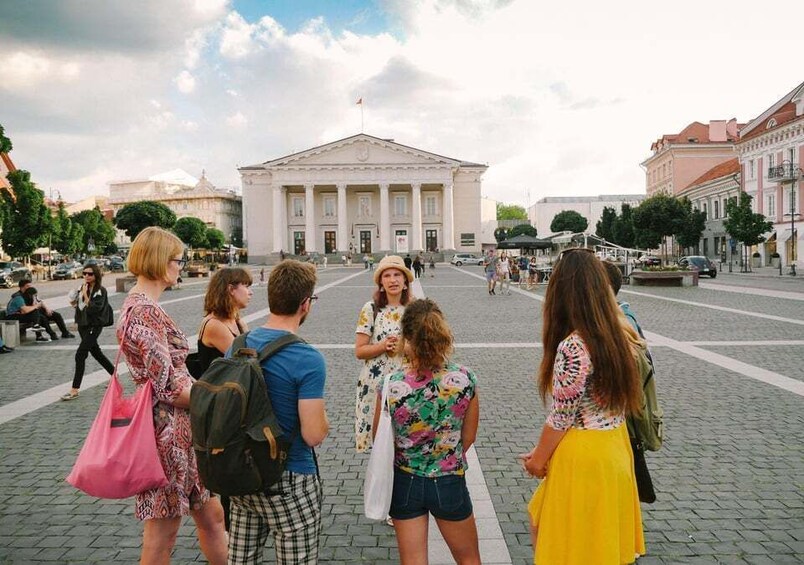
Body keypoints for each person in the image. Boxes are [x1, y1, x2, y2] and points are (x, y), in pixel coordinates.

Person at [519, 248, 646, 565]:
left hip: (584, 454)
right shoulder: (621, 333)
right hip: (614, 446)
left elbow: (562, 416)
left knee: (562, 540)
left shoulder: (575, 345)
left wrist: (538, 459)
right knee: (597, 542)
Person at [117, 227, 227, 565]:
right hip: (166, 436)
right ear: (161, 262)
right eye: (179, 260)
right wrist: (218, 401)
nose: (182, 266)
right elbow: (169, 385)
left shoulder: (143, 306)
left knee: (213, 517)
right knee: (162, 534)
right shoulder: (144, 311)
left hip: (180, 431)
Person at [228, 260, 329, 565]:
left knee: (241, 560)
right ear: (305, 304)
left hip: (243, 474)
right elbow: (312, 434)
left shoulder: (238, 344)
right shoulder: (307, 358)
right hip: (290, 478)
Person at [376, 298, 481, 564]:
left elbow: (381, 437)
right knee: (468, 559)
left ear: (406, 337)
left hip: (406, 480)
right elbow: (468, 437)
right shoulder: (465, 379)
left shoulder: (391, 384)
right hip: (449, 479)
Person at [195, 267, 253, 530]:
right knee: (227, 467)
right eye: (246, 285)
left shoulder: (236, 320)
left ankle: (236, 528)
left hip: (232, 404)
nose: (250, 291)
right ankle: (229, 535)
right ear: (231, 289)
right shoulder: (215, 325)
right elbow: (247, 356)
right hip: (218, 409)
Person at [354, 255, 413, 453]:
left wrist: (401, 347)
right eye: (387, 275)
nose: (393, 280)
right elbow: (360, 350)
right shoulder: (370, 309)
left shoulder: (414, 310)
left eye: (397, 275)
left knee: (406, 440)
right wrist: (382, 346)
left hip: (407, 384)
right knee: (378, 445)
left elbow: (425, 350)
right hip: (374, 385)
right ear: (381, 283)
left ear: (405, 282)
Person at [60, 263, 115, 401]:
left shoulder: (100, 290)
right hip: (83, 325)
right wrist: (75, 299)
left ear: (96, 275)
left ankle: (74, 389)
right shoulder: (81, 287)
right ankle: (115, 376)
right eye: (84, 273)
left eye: (90, 274)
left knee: (80, 354)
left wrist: (85, 294)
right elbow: (77, 306)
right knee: (96, 353)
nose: (86, 276)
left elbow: (94, 309)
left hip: (94, 325)